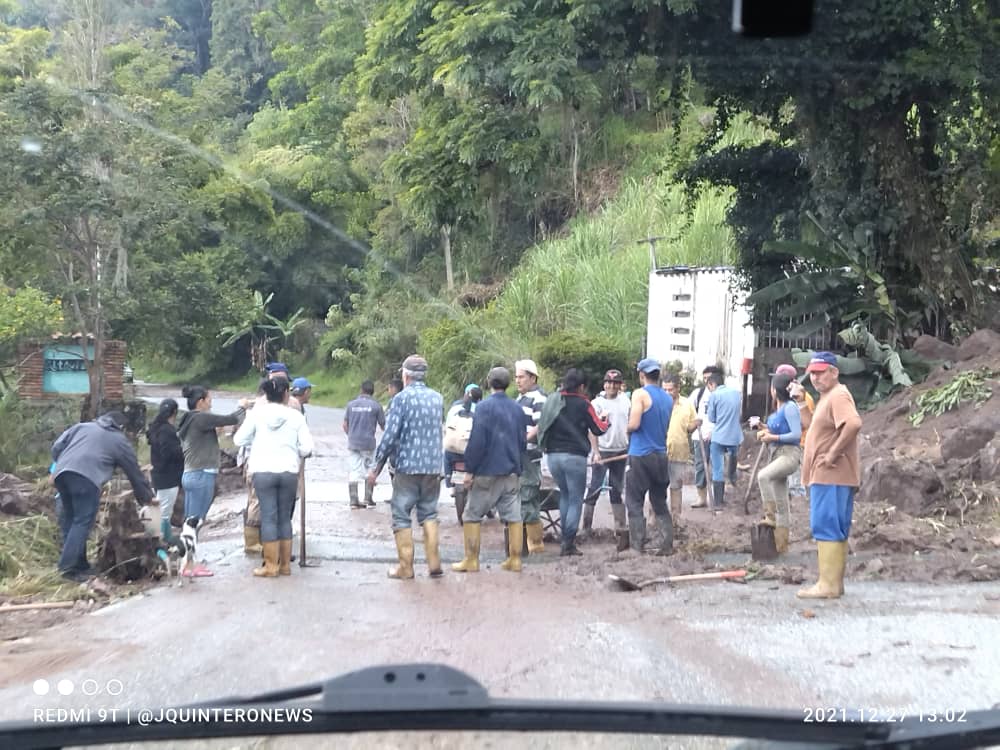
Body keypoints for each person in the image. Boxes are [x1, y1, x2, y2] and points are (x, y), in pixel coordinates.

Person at [51, 411, 155, 582]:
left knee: (71, 520)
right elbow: (134, 472)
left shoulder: (82, 427)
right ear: (120, 427)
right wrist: (146, 498)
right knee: (83, 521)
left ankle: (80, 564)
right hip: (86, 478)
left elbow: (56, 447)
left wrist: (65, 461)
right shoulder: (118, 440)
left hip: (61, 474)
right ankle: (68, 569)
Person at [369, 355, 445, 580]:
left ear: (406, 375)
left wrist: (376, 468)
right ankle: (434, 563)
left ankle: (406, 567)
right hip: (432, 466)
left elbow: (390, 436)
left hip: (407, 466)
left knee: (401, 514)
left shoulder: (400, 399)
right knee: (429, 512)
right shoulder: (437, 398)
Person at [234, 378, 314, 577]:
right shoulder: (296, 417)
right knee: (284, 518)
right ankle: (285, 566)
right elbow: (307, 448)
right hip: (288, 472)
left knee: (269, 517)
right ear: (287, 394)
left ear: (266, 395)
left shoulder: (256, 415)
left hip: (263, 471)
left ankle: (271, 566)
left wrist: (258, 439)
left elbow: (239, 439)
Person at [798, 352, 862, 599]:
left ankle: (828, 585)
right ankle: (834, 583)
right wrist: (802, 402)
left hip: (831, 474)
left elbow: (854, 424)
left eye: (820, 372)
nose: (815, 378)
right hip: (829, 475)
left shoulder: (838, 395)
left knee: (826, 524)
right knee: (834, 525)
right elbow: (813, 426)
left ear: (834, 372)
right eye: (812, 373)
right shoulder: (827, 397)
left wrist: (833, 454)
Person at [452, 367, 527, 573]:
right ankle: (515, 560)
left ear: (488, 382)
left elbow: (477, 442)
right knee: (513, 516)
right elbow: (522, 442)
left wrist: (469, 470)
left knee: (471, 515)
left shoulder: (483, 408)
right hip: (511, 470)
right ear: (508, 383)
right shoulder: (517, 408)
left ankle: (471, 560)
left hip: (487, 471)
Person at [177, 386, 249, 576]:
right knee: (195, 522)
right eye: (209, 399)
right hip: (202, 475)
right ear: (200, 401)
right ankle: (189, 565)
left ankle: (187, 561)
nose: (211, 402)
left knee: (190, 522)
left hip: (190, 474)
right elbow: (231, 419)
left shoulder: (188, 418)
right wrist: (242, 407)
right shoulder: (200, 417)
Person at [538, 368, 608, 556]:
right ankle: (567, 543)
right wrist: (606, 421)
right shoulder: (584, 404)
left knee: (565, 495)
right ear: (582, 386)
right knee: (576, 499)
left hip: (553, 458)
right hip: (574, 458)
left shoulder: (552, 401)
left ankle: (565, 539)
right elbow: (598, 429)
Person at [623, 359, 673, 555]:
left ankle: (637, 546)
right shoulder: (668, 398)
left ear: (641, 374)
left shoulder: (640, 394)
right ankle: (667, 544)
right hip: (661, 455)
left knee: (634, 500)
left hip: (640, 455)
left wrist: (620, 428)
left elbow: (634, 424)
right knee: (659, 501)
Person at [754, 373, 803, 554]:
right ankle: (781, 546)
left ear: (774, 390)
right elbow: (778, 429)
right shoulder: (780, 407)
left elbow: (796, 434)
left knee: (763, 476)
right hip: (777, 454)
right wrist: (763, 429)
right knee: (783, 504)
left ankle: (769, 516)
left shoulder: (790, 407)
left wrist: (772, 436)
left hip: (789, 455)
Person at [582, 369, 630, 544]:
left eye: (615, 383)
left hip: (621, 451)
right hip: (602, 451)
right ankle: (586, 527)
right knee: (594, 487)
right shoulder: (597, 404)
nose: (611, 386)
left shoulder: (626, 402)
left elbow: (630, 425)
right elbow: (591, 430)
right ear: (604, 384)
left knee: (617, 489)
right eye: (608, 383)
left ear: (620, 385)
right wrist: (595, 452)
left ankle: (620, 527)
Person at [514, 359, 547, 554]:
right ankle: (528, 544)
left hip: (530, 453)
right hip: (519, 453)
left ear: (532, 378)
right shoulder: (520, 399)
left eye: (521, 377)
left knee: (528, 495)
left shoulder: (539, 398)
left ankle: (534, 546)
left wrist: (525, 439)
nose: (518, 381)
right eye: (516, 377)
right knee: (521, 496)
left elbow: (541, 424)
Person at [662, 373, 698, 536]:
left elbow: (690, 427)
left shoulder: (687, 404)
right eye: (665, 389)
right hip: (660, 451)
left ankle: (676, 521)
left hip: (679, 450)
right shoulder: (658, 403)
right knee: (658, 487)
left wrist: (696, 424)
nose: (668, 393)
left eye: (671, 389)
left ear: (678, 388)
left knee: (676, 486)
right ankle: (656, 521)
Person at [443, 385, 483, 524]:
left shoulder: (454, 408)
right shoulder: (481, 409)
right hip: (471, 452)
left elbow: (447, 429)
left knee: (447, 452)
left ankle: (448, 479)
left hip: (454, 453)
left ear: (466, 394)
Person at [344, 380, 386, 509]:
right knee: (369, 468)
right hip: (368, 444)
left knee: (354, 470)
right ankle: (368, 498)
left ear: (361, 390)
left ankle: (353, 500)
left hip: (353, 442)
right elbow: (383, 425)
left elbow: (345, 425)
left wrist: (351, 435)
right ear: (372, 392)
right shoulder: (376, 406)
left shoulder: (351, 405)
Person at [146, 399, 183, 544]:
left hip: (158, 475)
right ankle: (162, 540)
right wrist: (184, 451)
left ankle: (165, 537)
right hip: (168, 476)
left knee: (162, 508)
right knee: (165, 510)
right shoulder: (167, 430)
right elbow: (169, 453)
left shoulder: (155, 428)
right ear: (174, 412)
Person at [705, 371, 743, 510]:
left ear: (712, 384)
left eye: (709, 387)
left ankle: (718, 502)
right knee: (733, 456)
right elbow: (739, 413)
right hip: (734, 436)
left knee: (717, 469)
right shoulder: (736, 393)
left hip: (719, 437)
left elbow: (711, 418)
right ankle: (732, 477)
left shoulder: (715, 395)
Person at [775, 363, 814, 497]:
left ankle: (799, 506)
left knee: (796, 481)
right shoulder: (785, 398)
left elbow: (804, 423)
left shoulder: (803, 398)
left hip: (800, 444)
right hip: (789, 442)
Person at [689, 365, 722, 508]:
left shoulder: (722, 394)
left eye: (709, 378)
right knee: (700, 467)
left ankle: (717, 499)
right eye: (704, 378)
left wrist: (714, 432)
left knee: (717, 467)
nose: (707, 381)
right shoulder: (699, 393)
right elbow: (689, 410)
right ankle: (701, 497)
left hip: (717, 437)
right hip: (700, 436)